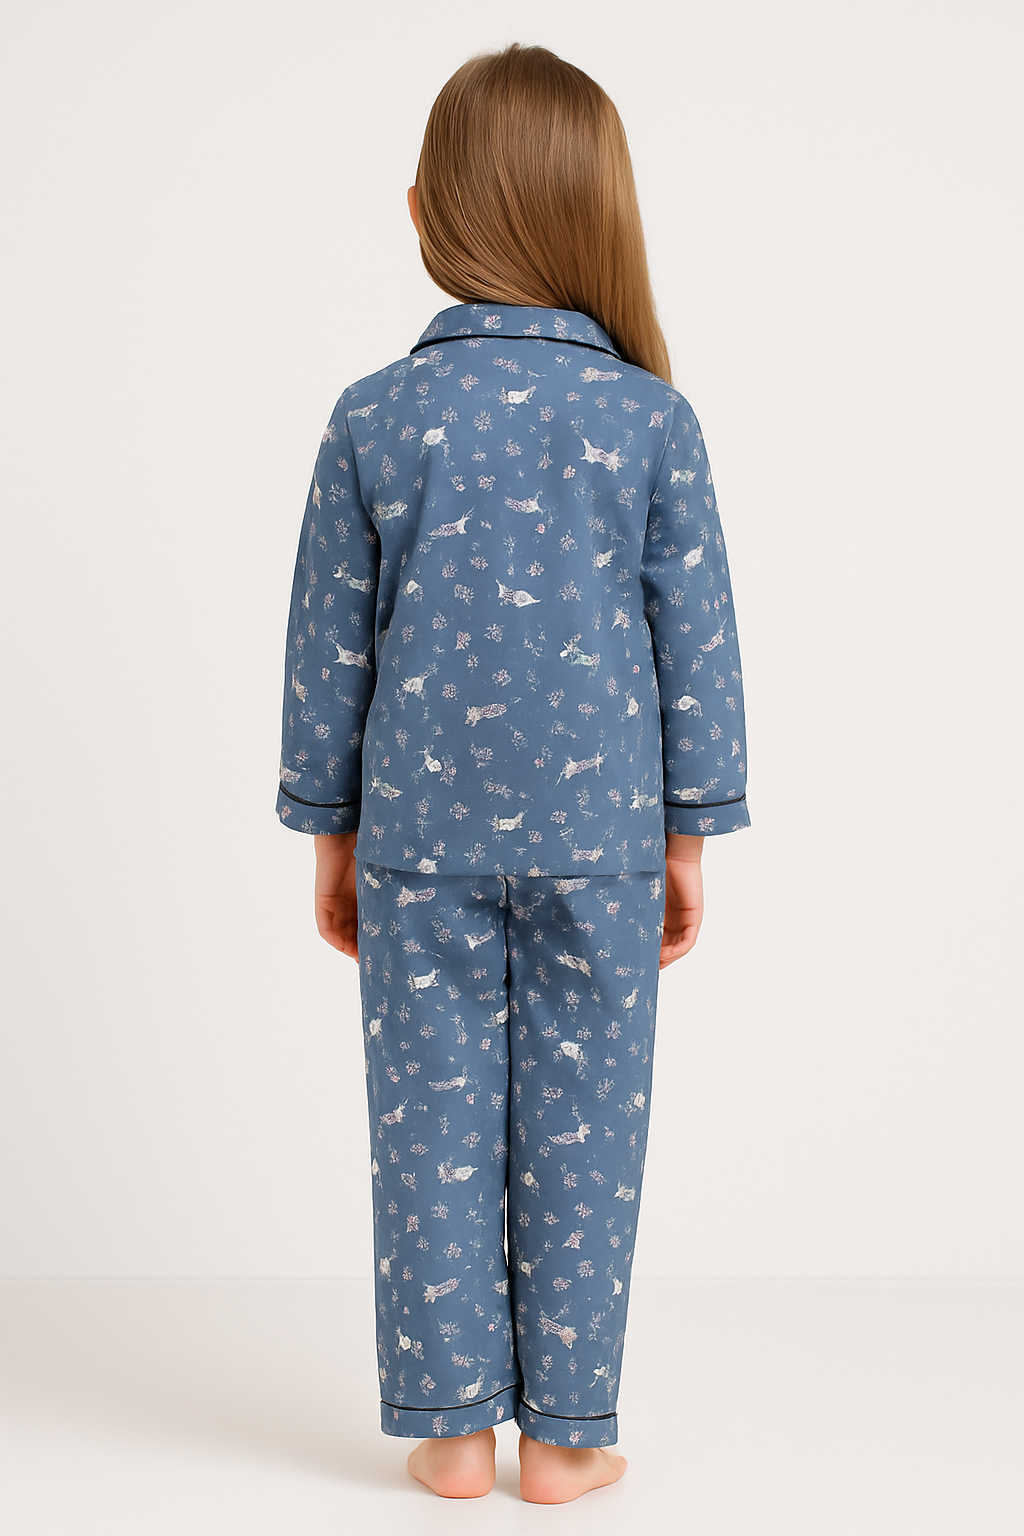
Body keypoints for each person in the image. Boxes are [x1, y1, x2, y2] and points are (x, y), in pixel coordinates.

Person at [275, 42, 750, 1504]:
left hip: (417, 838)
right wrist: (687, 840)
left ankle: (450, 1434)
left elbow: (326, 648)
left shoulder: (374, 416)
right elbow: (698, 647)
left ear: (425, 211)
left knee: (424, 1125)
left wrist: (330, 835)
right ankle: (566, 1441)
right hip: (600, 841)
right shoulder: (652, 420)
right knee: (586, 1130)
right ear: (603, 216)